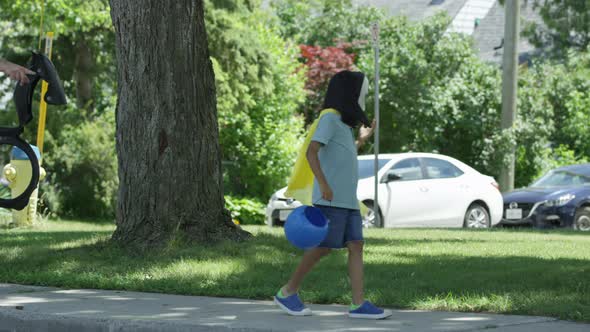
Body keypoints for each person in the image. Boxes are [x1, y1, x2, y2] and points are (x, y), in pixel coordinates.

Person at [275, 70, 392, 320]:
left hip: (348, 201)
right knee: (323, 247)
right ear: (349, 94)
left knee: (356, 246)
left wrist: (360, 140)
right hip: (331, 198)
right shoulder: (329, 118)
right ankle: (287, 292)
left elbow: (339, 155)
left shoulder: (344, 126)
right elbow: (312, 152)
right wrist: (324, 185)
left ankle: (358, 304)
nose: (363, 99)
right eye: (361, 94)